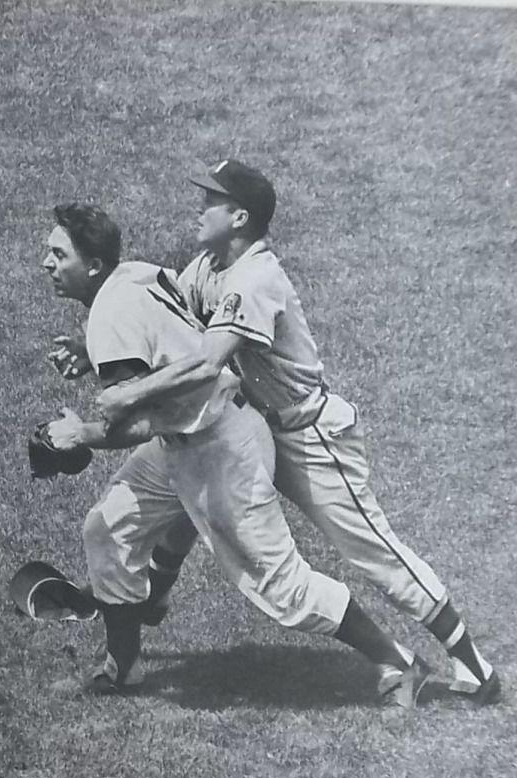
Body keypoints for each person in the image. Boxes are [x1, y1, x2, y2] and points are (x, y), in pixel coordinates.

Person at [89, 161, 500, 705]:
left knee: (374, 551)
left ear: (239, 216)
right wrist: (101, 351)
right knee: (180, 486)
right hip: (255, 425)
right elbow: (170, 318)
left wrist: (126, 394)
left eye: (211, 200)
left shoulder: (257, 277)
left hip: (311, 435)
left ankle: (474, 667)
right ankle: (156, 595)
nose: (199, 207)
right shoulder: (207, 266)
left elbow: (208, 363)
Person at [38, 202, 433, 706]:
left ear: (92, 266)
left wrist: (79, 435)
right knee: (109, 529)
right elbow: (168, 338)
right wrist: (90, 352)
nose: (47, 263)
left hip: (223, 451)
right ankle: (124, 663)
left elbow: (134, 425)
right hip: (197, 436)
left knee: (281, 588)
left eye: (58, 254)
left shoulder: (109, 317)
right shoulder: (134, 274)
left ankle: (399, 661)